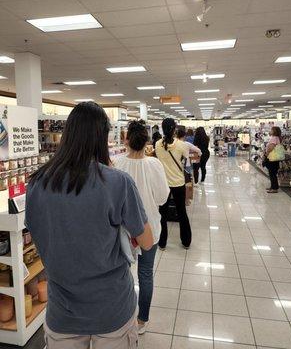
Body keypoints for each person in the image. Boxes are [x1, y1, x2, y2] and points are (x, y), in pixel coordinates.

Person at [26, 102, 153, 349]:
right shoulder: (117, 182)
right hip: (112, 307)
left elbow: (37, 234)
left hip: (62, 310)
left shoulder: (37, 183)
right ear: (102, 136)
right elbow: (147, 241)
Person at [115, 120, 169, 335]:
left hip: (122, 232)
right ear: (147, 141)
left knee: (122, 274)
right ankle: (141, 320)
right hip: (150, 228)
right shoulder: (154, 164)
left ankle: (121, 316)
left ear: (126, 140)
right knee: (145, 273)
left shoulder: (117, 163)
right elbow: (163, 198)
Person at [155, 118, 192, 250]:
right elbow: (187, 165)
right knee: (182, 212)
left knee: (162, 214)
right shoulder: (182, 145)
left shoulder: (157, 144)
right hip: (178, 183)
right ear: (175, 129)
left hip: (163, 183)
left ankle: (162, 242)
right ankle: (186, 241)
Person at [265, 126, 282, 193]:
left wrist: (266, 153)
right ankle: (273, 186)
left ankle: (274, 188)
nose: (270, 131)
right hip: (274, 157)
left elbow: (271, 147)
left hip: (272, 157)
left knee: (272, 173)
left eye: (271, 130)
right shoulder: (277, 137)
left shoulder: (274, 138)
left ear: (274, 131)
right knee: (272, 173)